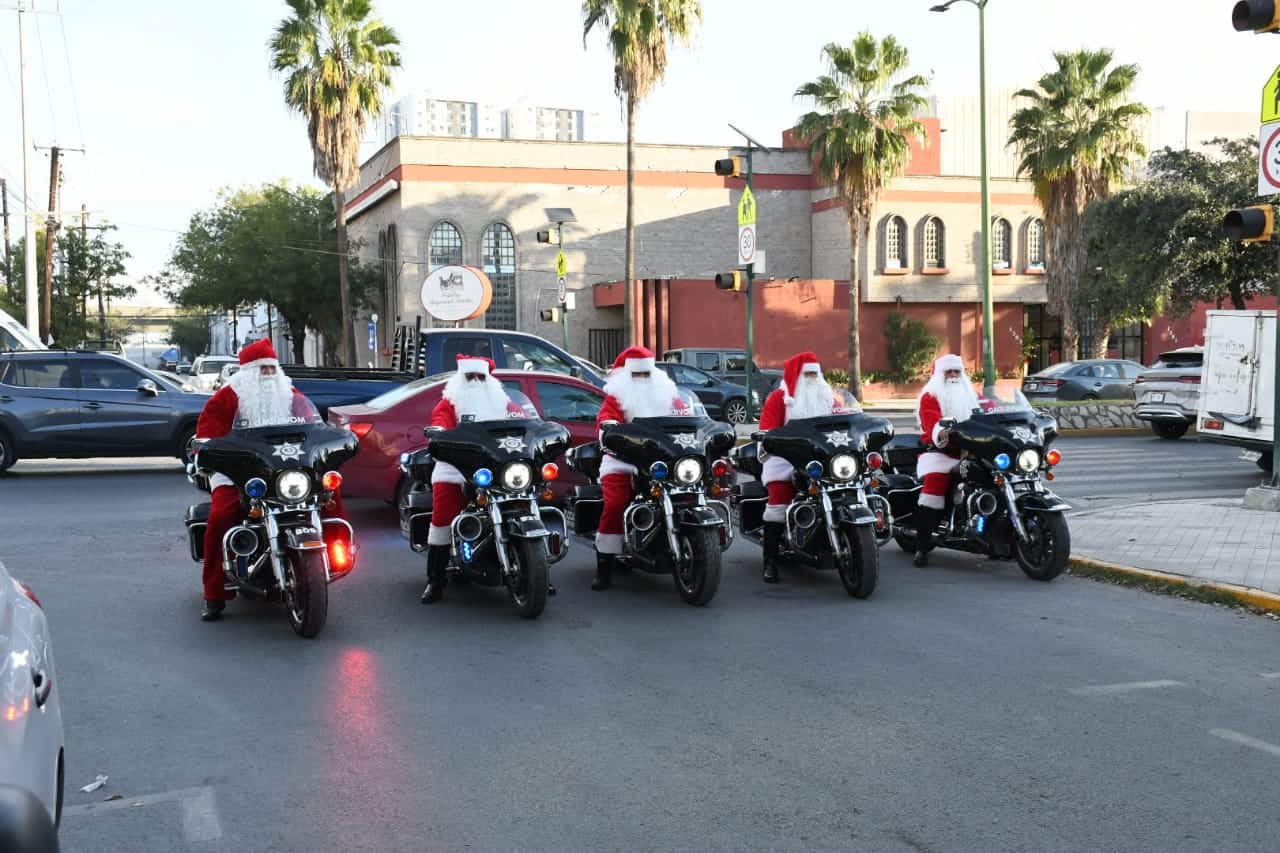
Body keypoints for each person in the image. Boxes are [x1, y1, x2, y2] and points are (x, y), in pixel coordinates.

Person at [192, 338, 347, 622]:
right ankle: (214, 593)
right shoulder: (226, 397)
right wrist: (210, 447)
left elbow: (313, 425)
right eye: (261, 369)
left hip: (287, 469)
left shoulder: (290, 394)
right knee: (221, 518)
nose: (267, 376)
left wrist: (329, 438)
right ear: (248, 372)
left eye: (270, 369)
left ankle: (336, 554)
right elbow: (207, 433)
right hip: (239, 469)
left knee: (331, 497)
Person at [421, 355, 530, 604]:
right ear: (462, 378)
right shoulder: (449, 402)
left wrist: (535, 425)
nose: (475, 381)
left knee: (524, 505)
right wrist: (439, 431)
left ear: (488, 378)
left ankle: (537, 574)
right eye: (470, 376)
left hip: (495, 468)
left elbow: (522, 420)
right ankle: (435, 580)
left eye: (480, 376)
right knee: (442, 519)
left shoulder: (502, 402)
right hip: (454, 466)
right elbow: (439, 421)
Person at [593, 345, 689, 591]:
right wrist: (609, 428)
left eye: (646, 374)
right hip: (623, 458)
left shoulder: (668, 394)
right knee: (615, 503)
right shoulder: (615, 397)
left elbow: (684, 417)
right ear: (627, 375)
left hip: (664, 460)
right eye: (637, 375)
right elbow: (605, 421)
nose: (643, 379)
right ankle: (604, 566)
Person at [756, 351, 843, 584]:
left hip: (824, 459)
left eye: (816, 374)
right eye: (808, 375)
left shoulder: (829, 398)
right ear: (796, 376)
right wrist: (773, 442)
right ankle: (770, 561)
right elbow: (766, 432)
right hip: (786, 457)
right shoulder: (778, 399)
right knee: (778, 502)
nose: (813, 379)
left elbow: (846, 422)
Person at [913, 354, 981, 567]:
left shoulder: (971, 394)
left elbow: (986, 413)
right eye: (948, 372)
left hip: (971, 451)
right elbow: (932, 421)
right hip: (940, 453)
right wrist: (942, 433)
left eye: (956, 371)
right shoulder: (930, 396)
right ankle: (922, 546)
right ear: (939, 374)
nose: (953, 375)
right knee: (935, 484)